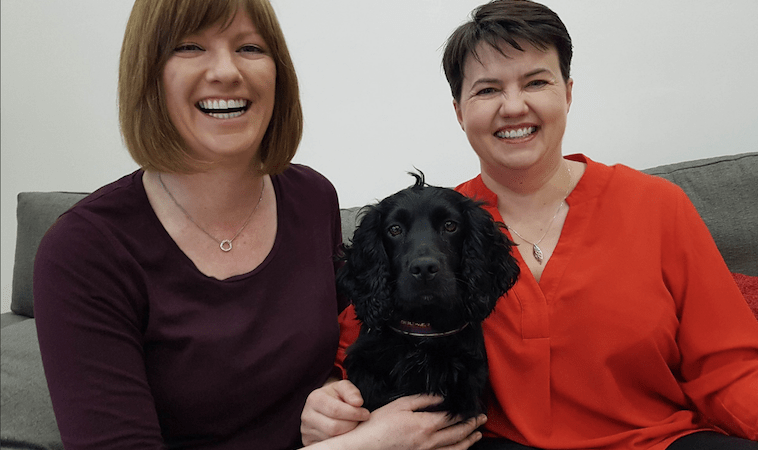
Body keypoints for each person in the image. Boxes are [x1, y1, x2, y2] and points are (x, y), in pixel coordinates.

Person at [301, 1, 758, 449]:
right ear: (459, 111)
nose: (513, 106)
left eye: (536, 82)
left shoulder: (658, 207)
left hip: (660, 441)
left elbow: (731, 367)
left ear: (568, 92)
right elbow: (360, 344)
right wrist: (329, 400)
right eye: (488, 89)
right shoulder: (437, 224)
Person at [33, 0, 483, 449]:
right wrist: (361, 445)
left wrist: (331, 395)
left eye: (249, 47)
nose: (227, 72)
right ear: (147, 75)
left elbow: (344, 339)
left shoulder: (312, 198)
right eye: (190, 47)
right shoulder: (82, 250)